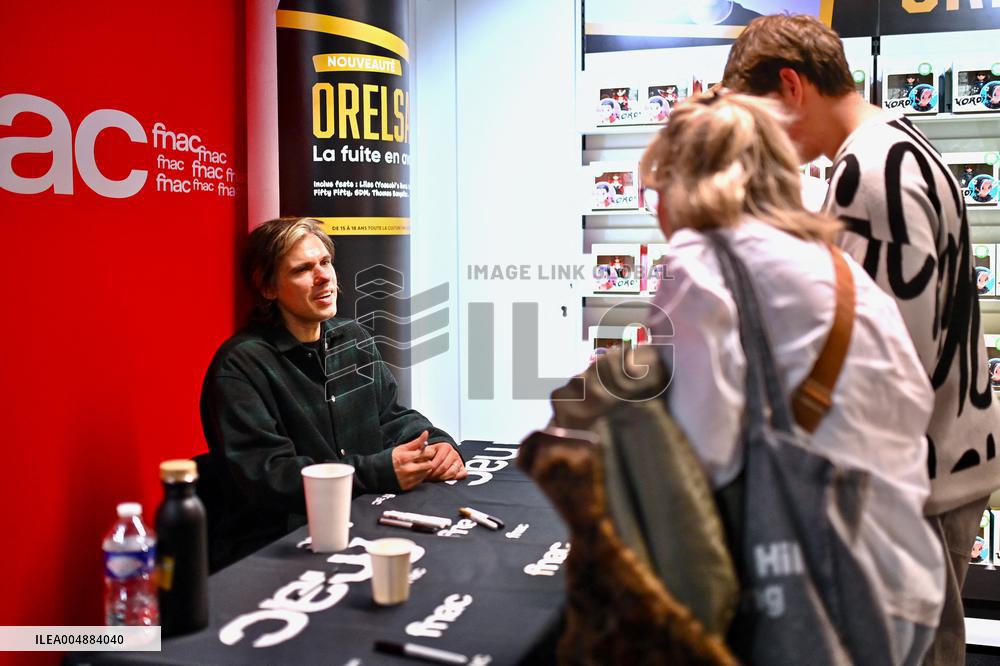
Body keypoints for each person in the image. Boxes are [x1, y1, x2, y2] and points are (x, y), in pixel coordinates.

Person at [722, 15, 1000, 664]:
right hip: (940, 464)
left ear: (792, 86)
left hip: (912, 488)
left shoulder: (869, 174)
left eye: (757, 121)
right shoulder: (901, 145)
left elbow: (883, 368)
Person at [640, 91, 943, 664]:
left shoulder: (699, 264)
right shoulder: (831, 262)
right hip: (898, 567)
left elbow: (700, 462)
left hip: (813, 587)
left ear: (677, 186)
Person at [200, 217, 465, 567]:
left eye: (325, 262)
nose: (324, 276)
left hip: (363, 523)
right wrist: (378, 472)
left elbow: (389, 416)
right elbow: (270, 476)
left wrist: (436, 444)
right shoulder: (240, 366)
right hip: (277, 548)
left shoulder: (352, 337)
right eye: (303, 269)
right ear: (268, 288)